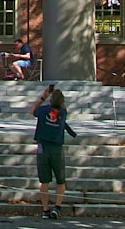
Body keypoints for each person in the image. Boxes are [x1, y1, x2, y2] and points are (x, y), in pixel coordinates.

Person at [30, 86, 76, 220]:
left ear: (50, 100)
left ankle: (45, 209)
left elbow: (32, 111)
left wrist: (43, 97)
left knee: (44, 181)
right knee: (60, 180)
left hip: (42, 148)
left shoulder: (43, 111)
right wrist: (59, 101)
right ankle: (57, 207)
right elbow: (64, 108)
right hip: (57, 149)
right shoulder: (62, 113)